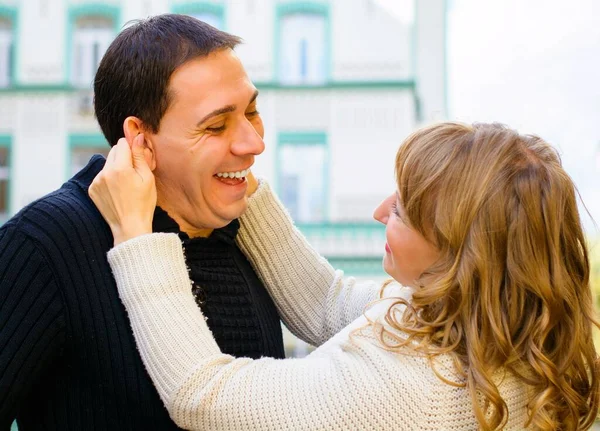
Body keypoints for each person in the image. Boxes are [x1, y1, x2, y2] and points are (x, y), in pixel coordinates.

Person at [91, 122, 600, 430]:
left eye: (401, 209)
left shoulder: (414, 393)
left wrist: (134, 232)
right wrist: (234, 181)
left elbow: (204, 394)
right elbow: (326, 304)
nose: (380, 212)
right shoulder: (493, 323)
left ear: (457, 246)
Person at [0, 15, 378, 430]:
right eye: (216, 126)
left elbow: (328, 305)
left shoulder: (245, 231)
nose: (255, 143)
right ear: (141, 139)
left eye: (252, 111)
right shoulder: (44, 244)